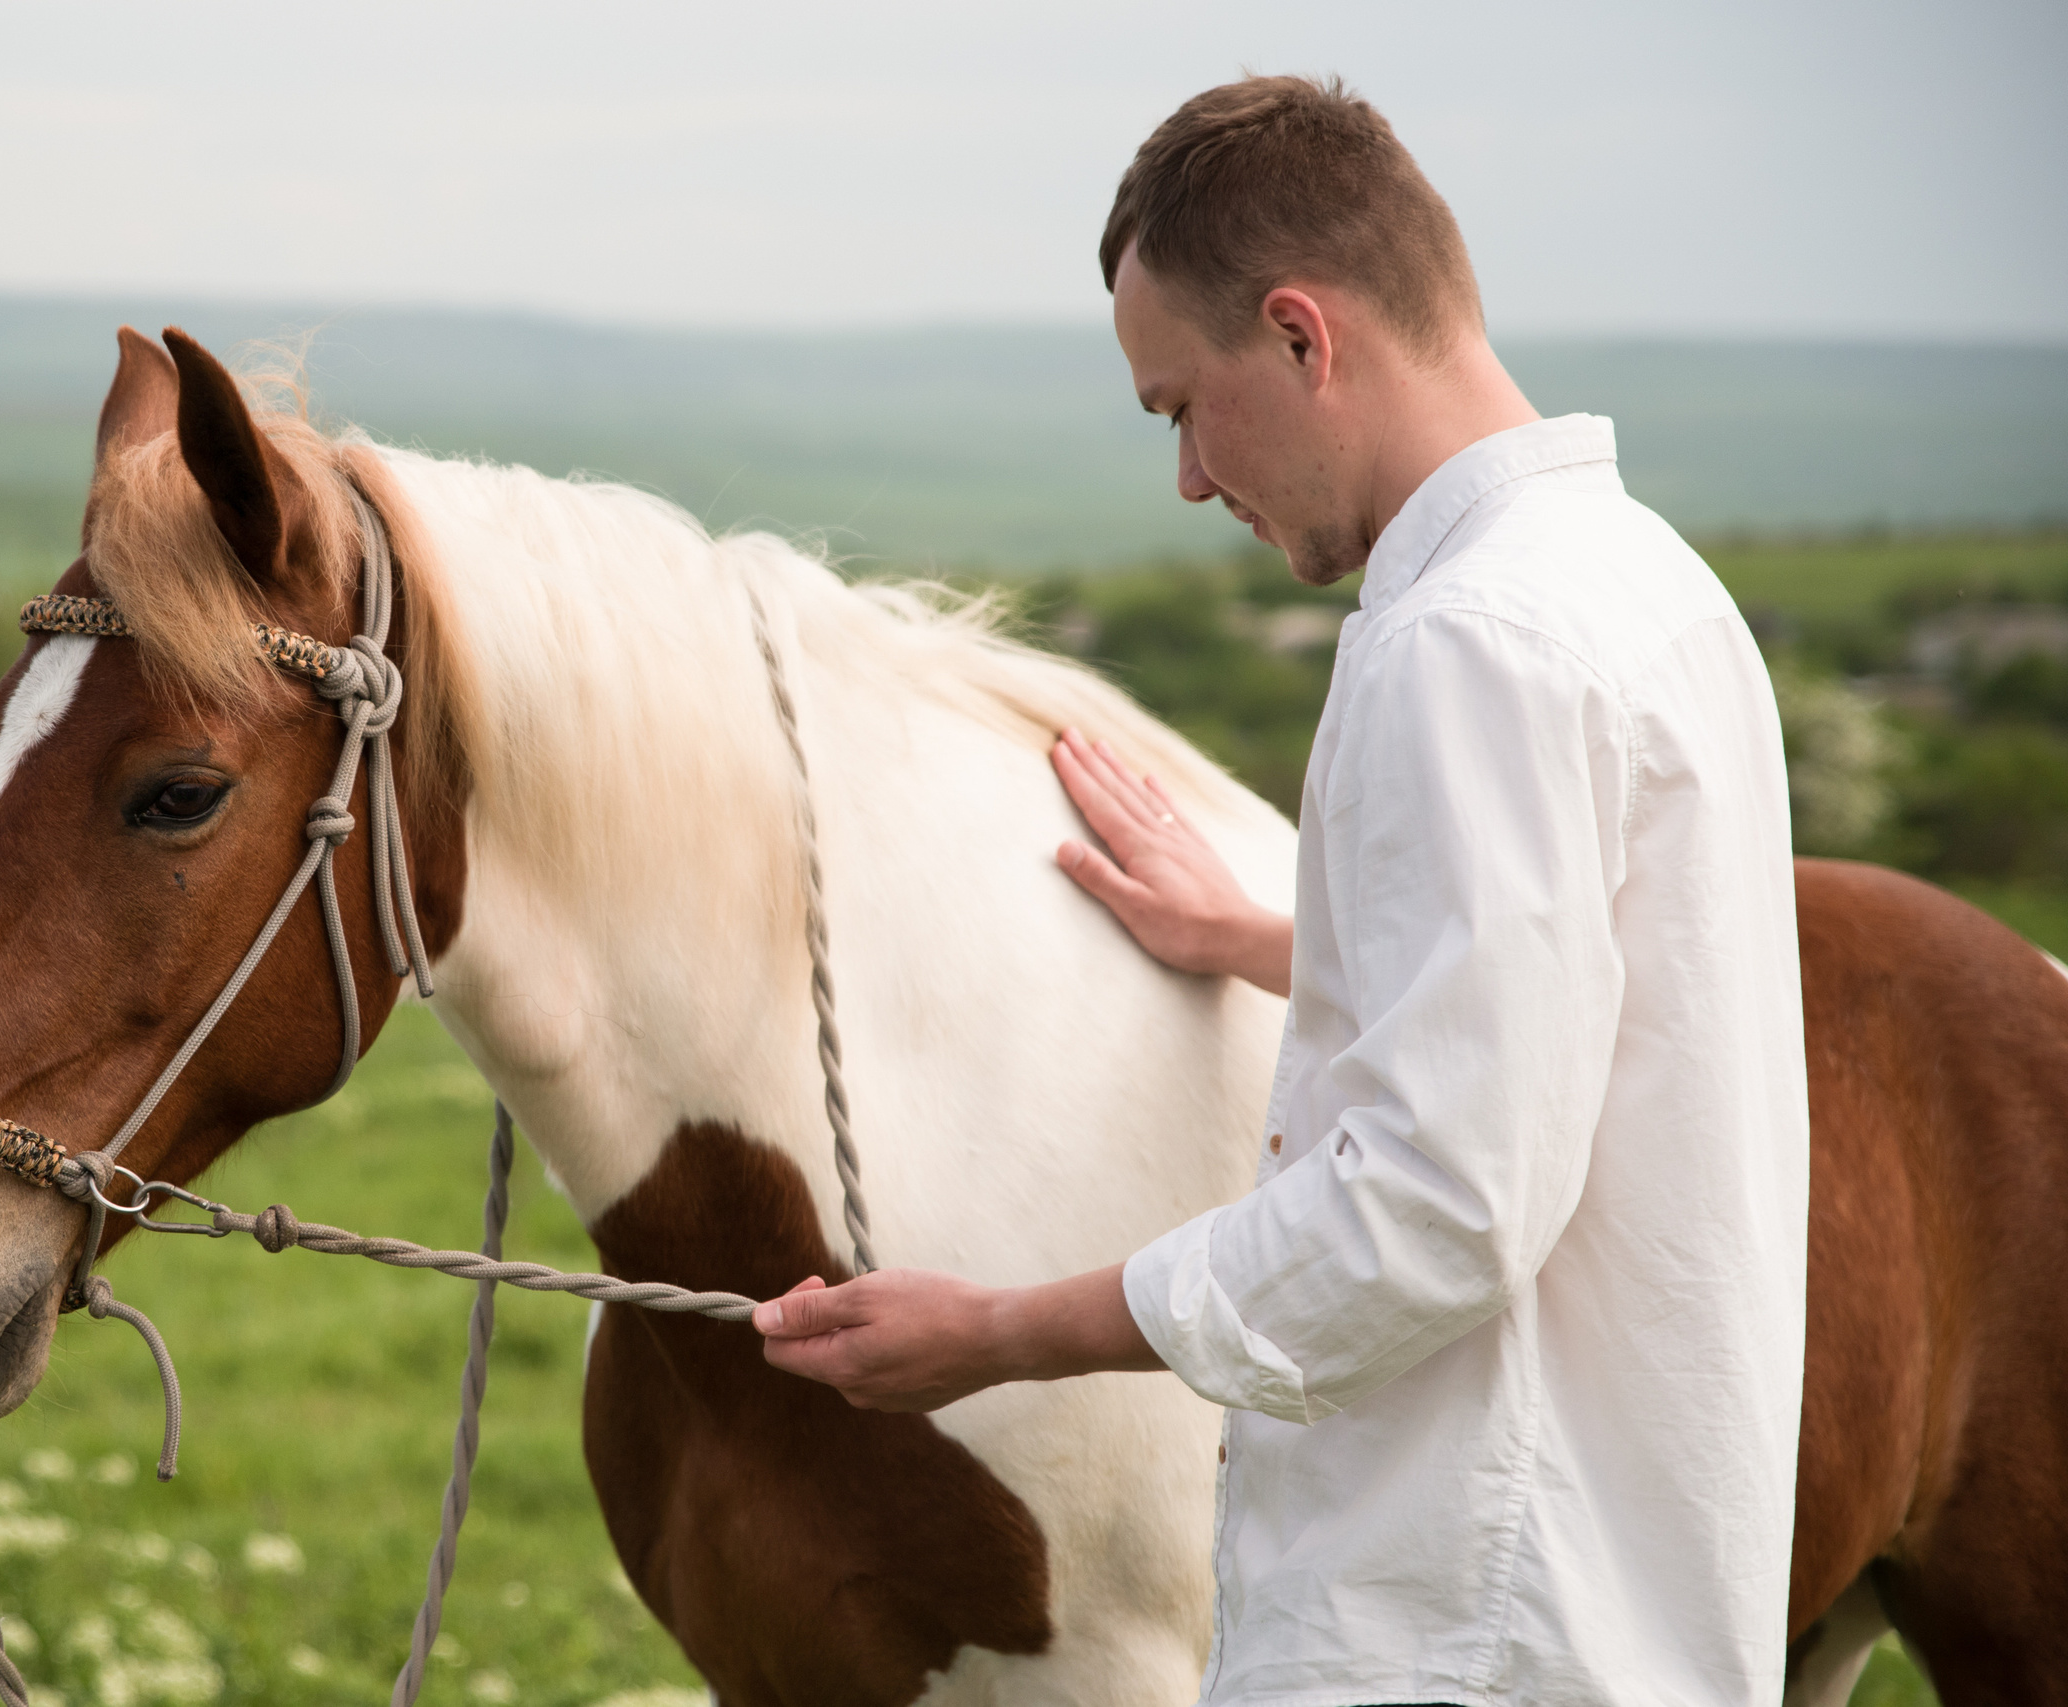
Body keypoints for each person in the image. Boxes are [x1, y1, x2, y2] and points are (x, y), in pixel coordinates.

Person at [753, 76, 1808, 1706]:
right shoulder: (1644, 581)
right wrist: (1266, 937)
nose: (1185, 477)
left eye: (1181, 405)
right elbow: (1588, 994)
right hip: (1611, 1608)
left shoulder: (1468, 645)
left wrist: (1000, 1331)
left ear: (1305, 337)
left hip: (1465, 1623)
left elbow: (1437, 1210)